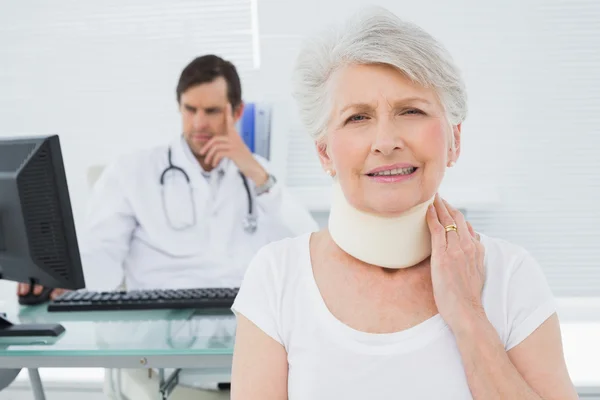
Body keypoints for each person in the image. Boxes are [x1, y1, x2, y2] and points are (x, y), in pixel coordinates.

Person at [230, 7, 579, 400]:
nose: (386, 140)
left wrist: (468, 314)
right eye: (358, 117)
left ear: (455, 140)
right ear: (325, 153)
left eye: (411, 111)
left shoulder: (510, 276)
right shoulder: (276, 278)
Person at [17, 54, 319, 399]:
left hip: (249, 342)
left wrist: (255, 171)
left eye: (212, 111)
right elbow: (102, 255)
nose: (198, 123)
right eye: (190, 109)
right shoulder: (133, 172)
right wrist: (57, 281)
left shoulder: (258, 175)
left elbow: (309, 249)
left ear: (236, 112)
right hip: (163, 342)